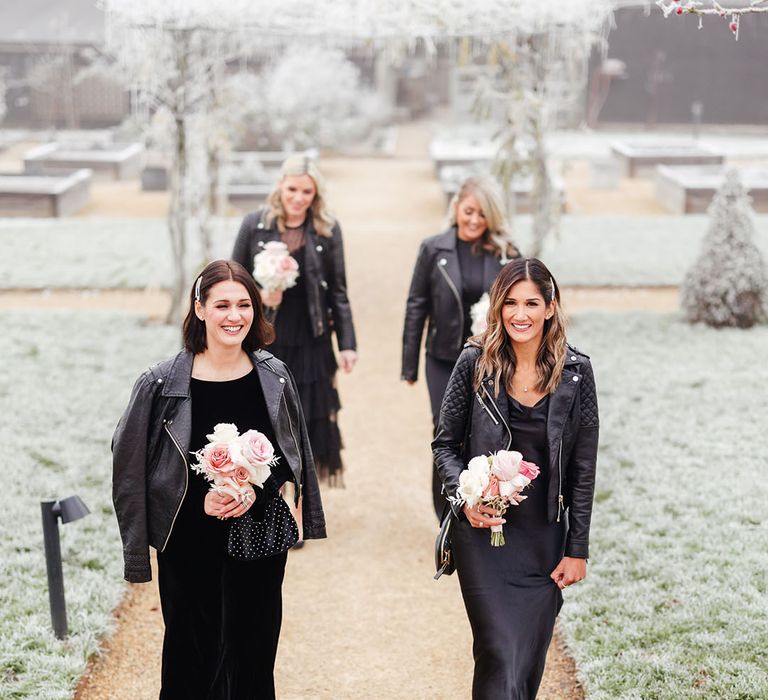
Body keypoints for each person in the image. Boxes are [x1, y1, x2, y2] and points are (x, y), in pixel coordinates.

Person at [112, 260, 326, 700]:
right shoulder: (161, 383)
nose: (235, 316)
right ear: (200, 309)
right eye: (222, 304)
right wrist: (195, 505)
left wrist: (255, 487)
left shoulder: (274, 375)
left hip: (259, 540)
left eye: (244, 304)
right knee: (191, 664)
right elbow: (129, 467)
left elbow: (294, 455)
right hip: (189, 544)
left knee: (252, 660)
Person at [432, 257, 599, 699]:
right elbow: (444, 446)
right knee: (498, 651)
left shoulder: (577, 373)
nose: (519, 314)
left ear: (550, 307)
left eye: (530, 303)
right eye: (509, 303)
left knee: (525, 664)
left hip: (542, 539)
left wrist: (576, 548)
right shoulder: (474, 363)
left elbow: (583, 467)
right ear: (496, 307)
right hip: (483, 536)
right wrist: (464, 500)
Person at [232, 155, 356, 487]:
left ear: (316, 195)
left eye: (306, 192)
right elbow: (233, 281)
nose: (298, 198)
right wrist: (259, 294)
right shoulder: (253, 225)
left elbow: (338, 291)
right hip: (265, 336)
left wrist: (347, 344)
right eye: (292, 189)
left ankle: (300, 498)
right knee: (264, 415)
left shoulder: (326, 230)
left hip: (312, 337)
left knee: (306, 418)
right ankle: (269, 492)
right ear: (280, 187)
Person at [401, 176, 519, 517]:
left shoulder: (506, 254)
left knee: (486, 430)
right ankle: (448, 512)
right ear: (456, 208)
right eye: (469, 211)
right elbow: (416, 305)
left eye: (483, 215)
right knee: (446, 432)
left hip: (493, 360)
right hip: (443, 358)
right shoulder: (433, 248)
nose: (474, 220)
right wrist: (409, 364)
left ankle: (485, 501)